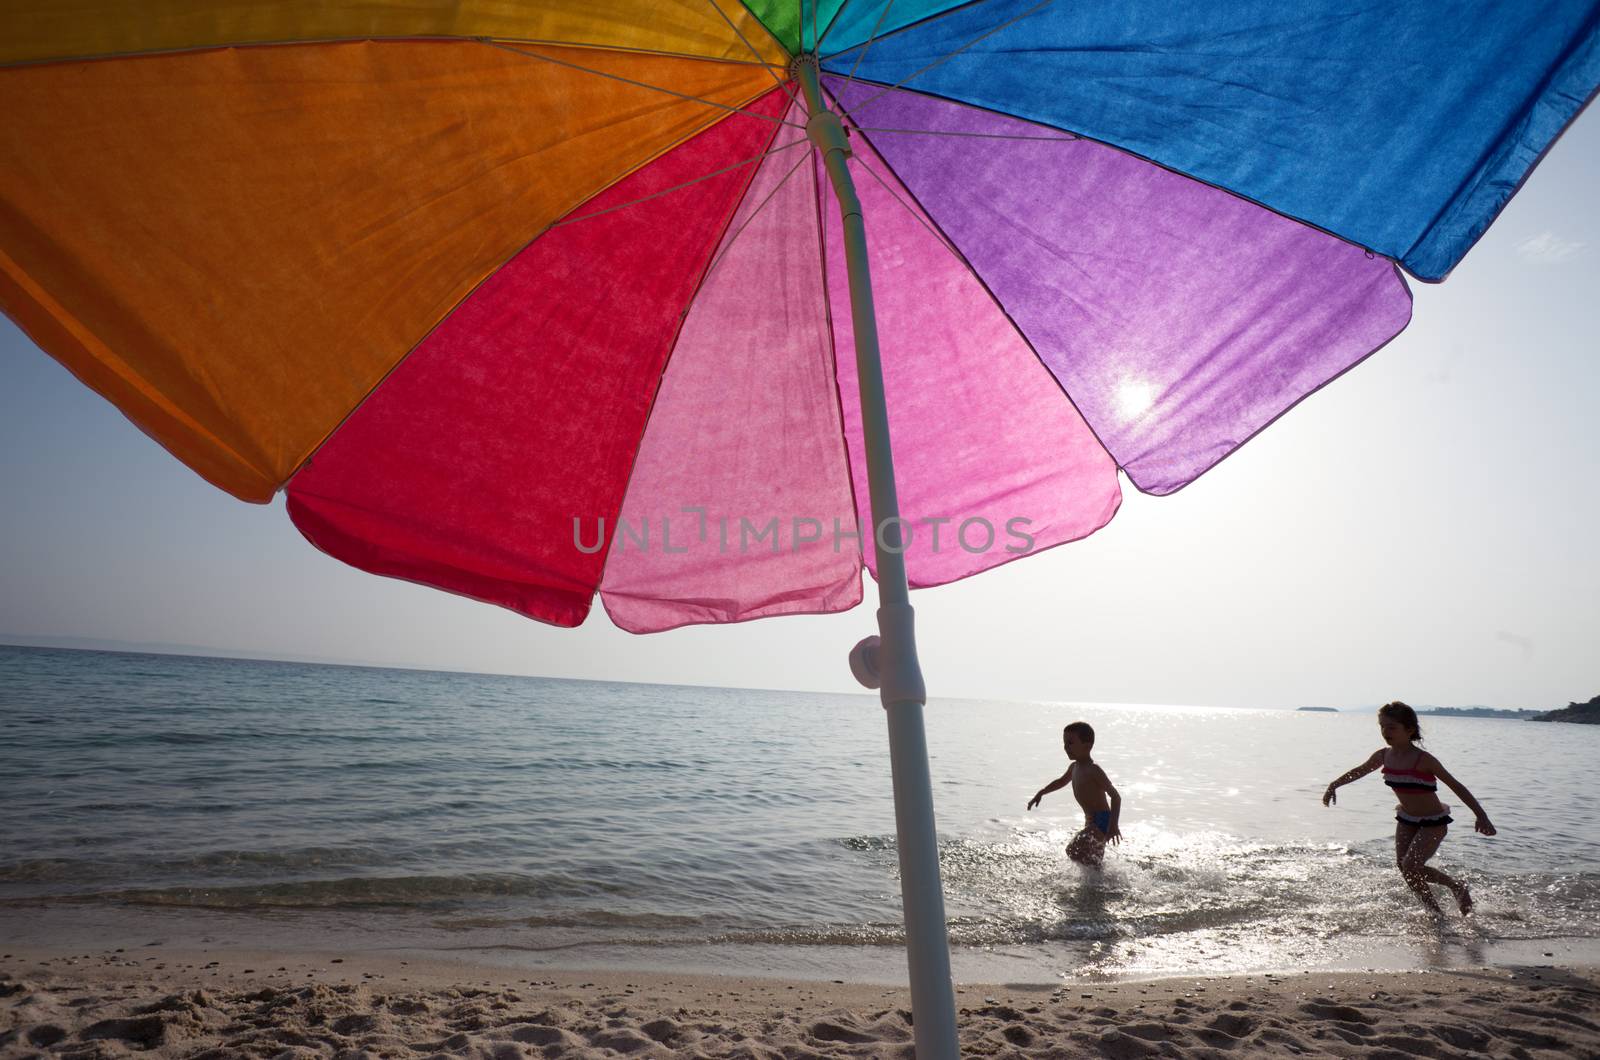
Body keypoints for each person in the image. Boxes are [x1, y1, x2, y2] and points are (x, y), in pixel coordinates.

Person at [1322, 701, 1496, 915]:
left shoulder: (1424, 760)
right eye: (1382, 726)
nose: (1386, 732)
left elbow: (1456, 786)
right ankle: (1435, 913)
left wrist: (1481, 816)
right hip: (1407, 819)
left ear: (1410, 729)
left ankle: (1455, 887)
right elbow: (1359, 771)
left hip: (1434, 821)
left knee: (1411, 866)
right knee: (1404, 868)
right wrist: (1334, 784)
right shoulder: (1383, 755)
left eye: (1392, 727)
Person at [1027, 721, 1122, 866]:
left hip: (1102, 820)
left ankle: (1098, 883)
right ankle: (1101, 885)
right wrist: (1042, 792)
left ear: (1087, 745)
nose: (1066, 748)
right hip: (1089, 821)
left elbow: (1115, 796)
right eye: (1064, 744)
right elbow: (1060, 782)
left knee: (1073, 850)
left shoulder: (1093, 769)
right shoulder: (1074, 767)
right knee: (1092, 861)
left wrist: (1114, 825)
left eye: (1070, 743)